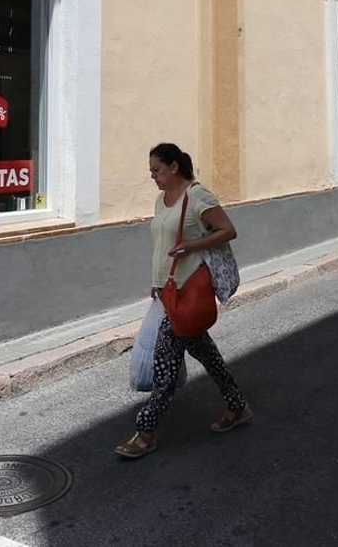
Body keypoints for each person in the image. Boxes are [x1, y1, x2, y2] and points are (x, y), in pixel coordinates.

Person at [116, 143, 251, 459]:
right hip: (168, 292)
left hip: (188, 290)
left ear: (174, 166)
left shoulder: (198, 196)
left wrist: (193, 245)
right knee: (206, 353)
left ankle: (146, 432)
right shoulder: (161, 200)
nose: (153, 177)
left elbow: (228, 230)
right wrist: (155, 281)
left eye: (157, 170)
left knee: (165, 362)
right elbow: (161, 243)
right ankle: (237, 406)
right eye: (151, 171)